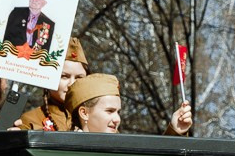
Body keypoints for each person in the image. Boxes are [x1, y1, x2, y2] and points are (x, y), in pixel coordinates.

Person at [65, 72, 193, 135]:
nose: (117, 119)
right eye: (109, 111)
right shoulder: (65, 150)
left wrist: (175, 129)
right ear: (84, 113)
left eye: (118, 112)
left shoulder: (123, 148)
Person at [15, 39, 90, 132]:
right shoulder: (29, 120)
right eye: (64, 76)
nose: (71, 84)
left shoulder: (95, 119)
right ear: (48, 78)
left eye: (79, 78)